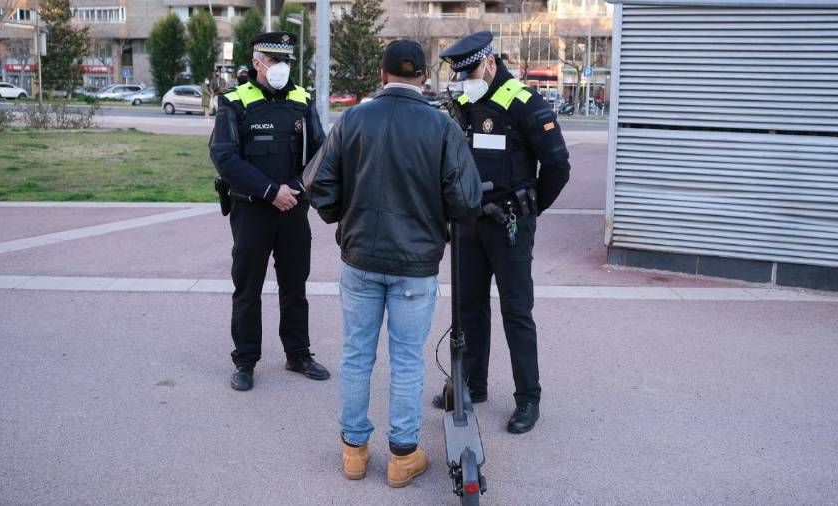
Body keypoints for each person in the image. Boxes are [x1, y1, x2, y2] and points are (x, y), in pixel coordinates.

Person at [303, 40, 482, 488]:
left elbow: (316, 186)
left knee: (356, 354)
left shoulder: (353, 120)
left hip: (360, 257)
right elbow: (467, 201)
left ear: (381, 77)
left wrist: (346, 215)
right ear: (423, 78)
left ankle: (354, 453)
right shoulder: (442, 127)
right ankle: (403, 456)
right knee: (407, 361)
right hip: (416, 264)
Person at [432, 31, 571, 434]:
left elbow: (558, 166)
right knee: (469, 309)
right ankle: (473, 386)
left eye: (471, 70)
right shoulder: (461, 103)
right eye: (460, 74)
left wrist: (530, 210)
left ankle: (528, 399)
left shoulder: (524, 103)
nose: (465, 79)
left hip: (510, 226)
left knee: (516, 312)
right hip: (470, 225)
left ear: (490, 62)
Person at [209, 31, 329, 392]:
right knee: (248, 288)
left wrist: (293, 189)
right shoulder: (234, 101)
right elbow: (225, 157)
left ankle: (298, 354)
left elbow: (320, 154)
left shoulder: (302, 100)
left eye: (286, 61)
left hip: (293, 208)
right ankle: (245, 361)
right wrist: (269, 191)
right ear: (257, 62)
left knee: (295, 286)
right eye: (274, 61)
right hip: (252, 211)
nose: (281, 67)